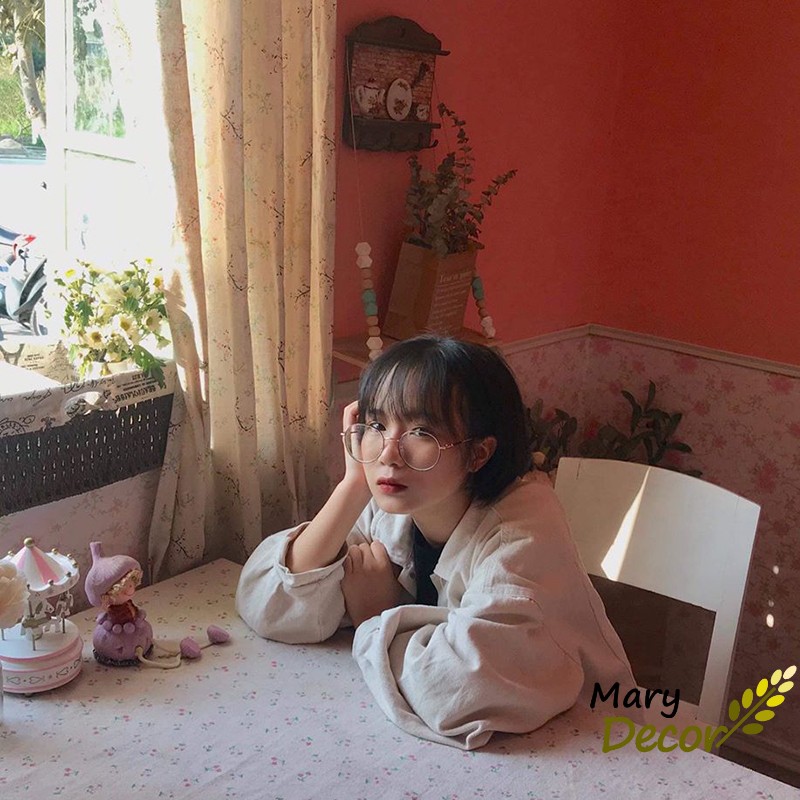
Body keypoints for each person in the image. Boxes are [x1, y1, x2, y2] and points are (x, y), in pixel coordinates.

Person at [236, 335, 634, 749]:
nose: (389, 454)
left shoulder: (524, 532)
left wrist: (376, 613)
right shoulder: (398, 503)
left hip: (597, 744)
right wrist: (353, 484)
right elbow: (268, 606)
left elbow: (460, 693)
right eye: (376, 426)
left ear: (478, 454)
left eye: (421, 431)